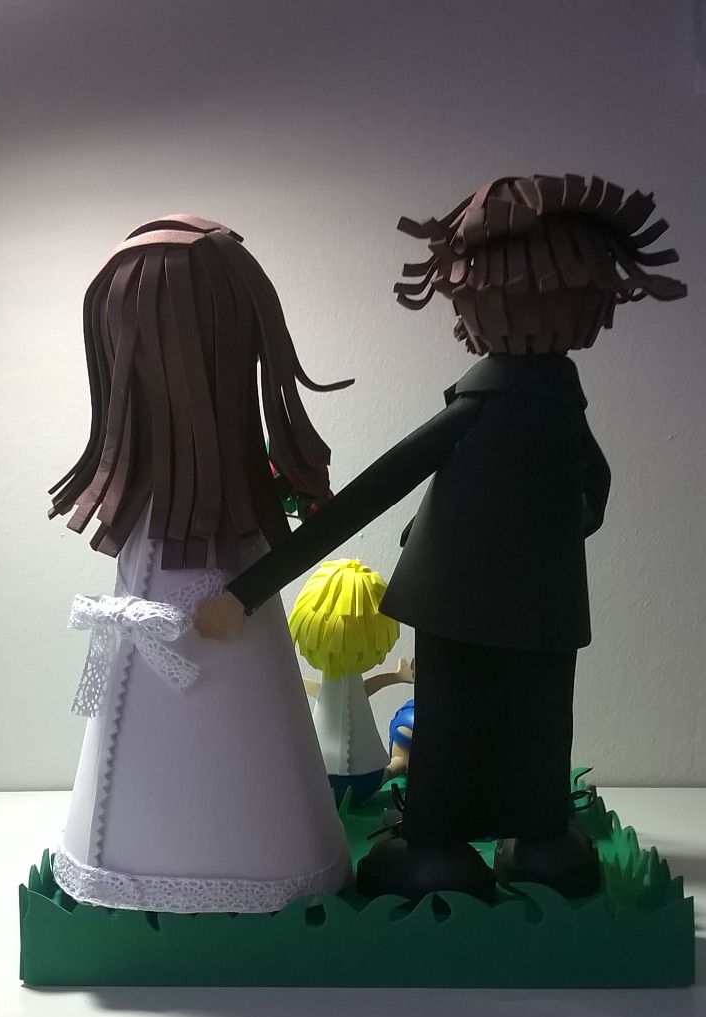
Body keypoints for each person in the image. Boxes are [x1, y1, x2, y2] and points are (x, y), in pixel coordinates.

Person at [194, 175, 687, 903]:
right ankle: (539, 841)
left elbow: (370, 491)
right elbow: (596, 486)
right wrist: (554, 529)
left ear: (466, 299)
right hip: (543, 596)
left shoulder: (496, 407)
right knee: (536, 713)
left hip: (457, 593)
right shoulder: (558, 404)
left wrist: (245, 591)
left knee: (460, 711)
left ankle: (437, 843)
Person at [49, 214, 353, 912]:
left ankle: (249, 868)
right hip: (166, 616)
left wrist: (241, 596)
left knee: (236, 746)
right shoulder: (144, 502)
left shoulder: (240, 496)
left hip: (225, 639)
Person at [289, 558, 413, 804]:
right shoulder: (331, 690)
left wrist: (398, 676)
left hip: (363, 770)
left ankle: (397, 765)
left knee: (371, 775)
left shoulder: (350, 688)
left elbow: (366, 688)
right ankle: (396, 765)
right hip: (323, 770)